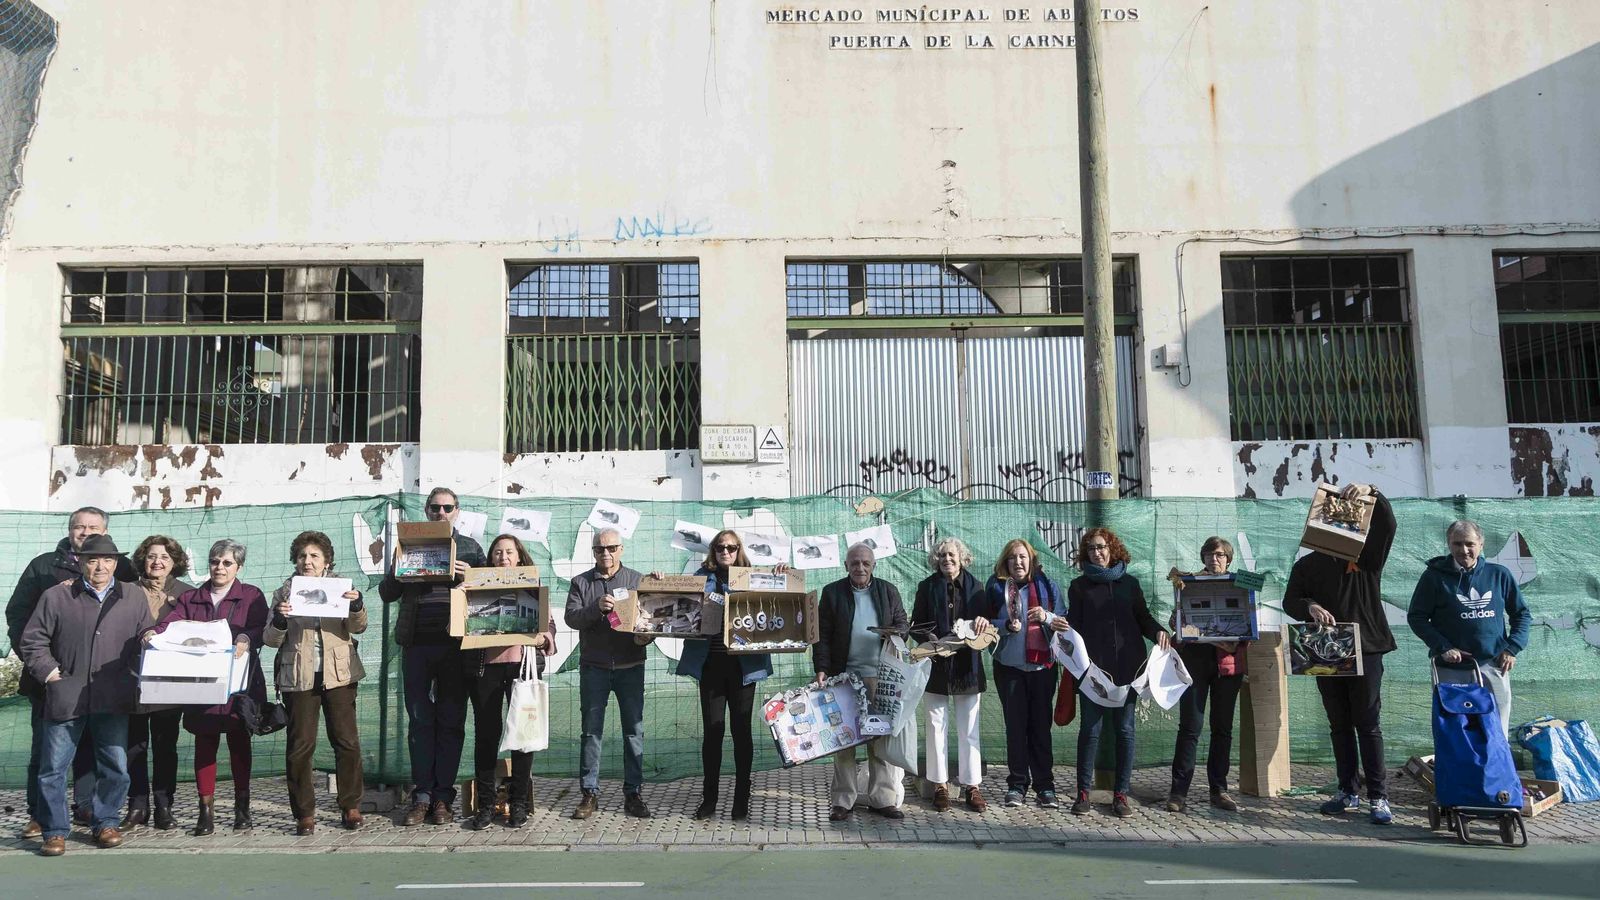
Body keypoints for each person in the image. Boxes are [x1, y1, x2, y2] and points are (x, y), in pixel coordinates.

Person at [6, 506, 138, 840]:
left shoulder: (130, 590)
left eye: (107, 559)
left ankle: (102, 819)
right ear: (78, 558)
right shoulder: (50, 584)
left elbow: (142, 634)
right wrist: (48, 672)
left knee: (112, 764)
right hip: (62, 689)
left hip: (110, 693)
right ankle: (50, 826)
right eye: (79, 527)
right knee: (51, 764)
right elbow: (29, 632)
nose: (101, 565)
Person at [1282, 482, 1398, 825]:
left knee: (1369, 723)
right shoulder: (1306, 565)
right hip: (1325, 651)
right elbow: (1291, 601)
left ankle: (1379, 797)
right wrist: (1311, 606)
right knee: (1339, 724)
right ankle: (1348, 791)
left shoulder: (1366, 557)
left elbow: (1387, 525)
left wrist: (1373, 493)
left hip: (1368, 648)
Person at [379, 486, 487, 827]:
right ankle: (422, 797)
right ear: (426, 511)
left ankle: (444, 798)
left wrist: (467, 575)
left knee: (452, 722)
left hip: (455, 645)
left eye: (447, 508)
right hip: (416, 645)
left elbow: (489, 592)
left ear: (457, 511)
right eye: (435, 508)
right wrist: (400, 569)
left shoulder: (469, 546)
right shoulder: (407, 544)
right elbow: (386, 593)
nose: (440, 513)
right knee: (420, 722)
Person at [148, 539, 269, 836]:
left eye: (227, 563)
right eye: (215, 561)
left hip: (240, 683)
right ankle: (206, 813)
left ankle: (243, 810)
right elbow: (173, 624)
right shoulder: (193, 597)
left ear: (238, 567)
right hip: (201, 683)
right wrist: (155, 632)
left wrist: (246, 639)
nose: (220, 567)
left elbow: (260, 629)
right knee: (205, 744)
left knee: (240, 743)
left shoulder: (251, 595)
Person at [265, 531, 368, 835]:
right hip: (299, 676)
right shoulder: (283, 593)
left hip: (340, 674)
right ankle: (304, 813)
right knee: (300, 747)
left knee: (347, 742)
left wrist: (357, 603)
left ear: (326, 561)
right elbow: (270, 639)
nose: (307, 561)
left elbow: (359, 627)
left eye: (313, 556)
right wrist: (280, 620)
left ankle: (350, 805)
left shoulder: (342, 588)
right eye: (302, 556)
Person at [673, 530, 775, 822]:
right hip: (711, 665)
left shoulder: (752, 576)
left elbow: (775, 597)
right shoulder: (700, 575)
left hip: (744, 667)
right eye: (720, 547)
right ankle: (710, 798)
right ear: (713, 550)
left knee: (741, 732)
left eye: (731, 547)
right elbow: (679, 596)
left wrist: (781, 573)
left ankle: (742, 797)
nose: (725, 552)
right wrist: (659, 581)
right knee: (713, 733)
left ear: (738, 549)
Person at [1068, 527, 1168, 818]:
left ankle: (1121, 795)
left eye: (1101, 547)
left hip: (1129, 669)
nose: (1097, 553)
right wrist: (1058, 626)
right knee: (1091, 731)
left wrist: (1160, 632)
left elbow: (1143, 618)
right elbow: (1073, 625)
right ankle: (1083, 794)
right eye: (1091, 549)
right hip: (1093, 673)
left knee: (1125, 731)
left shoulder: (1130, 584)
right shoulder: (1078, 587)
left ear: (1112, 549)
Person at [1407, 519, 1529, 736]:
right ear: (1449, 545)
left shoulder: (1499, 575)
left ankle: (1495, 770)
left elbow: (1521, 614)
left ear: (1481, 544)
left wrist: (1512, 648)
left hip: (1494, 664)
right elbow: (1416, 617)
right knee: (1457, 731)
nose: (1464, 550)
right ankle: (1460, 770)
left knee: (1497, 729)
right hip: (1451, 669)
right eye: (1457, 544)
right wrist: (1443, 647)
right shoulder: (1434, 577)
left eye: (1470, 544)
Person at [466, 533, 555, 830]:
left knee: (523, 736)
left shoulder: (533, 585)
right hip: (486, 668)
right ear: (491, 558)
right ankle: (487, 805)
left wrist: (546, 636)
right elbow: (461, 618)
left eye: (509, 552)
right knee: (486, 736)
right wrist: (461, 597)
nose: (503, 557)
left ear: (519, 557)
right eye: (498, 553)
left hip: (522, 667)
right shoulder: (476, 584)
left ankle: (518, 803)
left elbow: (548, 622)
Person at [815, 542, 908, 822]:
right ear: (846, 566)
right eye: (854, 563)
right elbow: (822, 636)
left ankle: (883, 798)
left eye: (866, 563)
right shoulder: (832, 593)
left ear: (873, 566)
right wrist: (822, 669)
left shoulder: (887, 591)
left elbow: (904, 624)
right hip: (844, 678)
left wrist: (894, 632)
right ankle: (843, 800)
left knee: (879, 739)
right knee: (844, 740)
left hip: (880, 676)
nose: (860, 568)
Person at [564, 526, 651, 819]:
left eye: (612, 548)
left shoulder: (637, 580)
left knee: (633, 731)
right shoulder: (580, 582)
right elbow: (571, 618)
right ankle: (589, 793)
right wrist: (595, 608)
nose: (606, 553)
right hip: (594, 668)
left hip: (631, 666)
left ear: (621, 550)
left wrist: (647, 633)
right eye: (600, 549)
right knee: (591, 732)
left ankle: (633, 793)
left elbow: (652, 615)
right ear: (593, 552)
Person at [985, 538, 1066, 810]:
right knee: (1016, 728)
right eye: (1012, 558)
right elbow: (983, 623)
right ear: (1005, 562)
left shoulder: (1047, 585)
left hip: (1042, 668)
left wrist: (1046, 616)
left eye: (1023, 557)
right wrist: (1006, 625)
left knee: (1040, 728)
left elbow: (1063, 622)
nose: (1018, 562)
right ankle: (1017, 784)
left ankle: (1045, 786)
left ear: (1031, 560)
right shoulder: (996, 587)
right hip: (1010, 669)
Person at [911, 537, 991, 813]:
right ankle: (940, 785)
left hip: (968, 668)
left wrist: (981, 624)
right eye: (943, 555)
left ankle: (972, 786)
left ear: (962, 559)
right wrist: (932, 641)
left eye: (952, 555)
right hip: (935, 666)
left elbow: (986, 626)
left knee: (969, 728)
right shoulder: (926, 587)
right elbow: (916, 625)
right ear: (936, 559)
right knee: (935, 727)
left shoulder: (976, 587)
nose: (947, 560)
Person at [1166, 536, 1245, 814]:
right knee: (1190, 727)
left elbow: (1249, 618)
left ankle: (1219, 790)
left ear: (1229, 559)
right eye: (1210, 554)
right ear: (1203, 557)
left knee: (1222, 729)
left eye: (1221, 555)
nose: (1215, 559)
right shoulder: (1187, 584)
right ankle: (1178, 792)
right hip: (1195, 664)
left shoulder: (1241, 582)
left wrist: (1241, 633)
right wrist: (1181, 620)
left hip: (1228, 666)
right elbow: (1173, 620)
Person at [123, 535, 194, 830]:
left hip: (169, 681)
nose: (157, 562)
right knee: (134, 746)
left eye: (165, 557)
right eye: (152, 556)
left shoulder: (188, 594)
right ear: (143, 560)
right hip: (131, 679)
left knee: (166, 746)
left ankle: (165, 805)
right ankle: (137, 805)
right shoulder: (126, 591)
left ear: (174, 562)